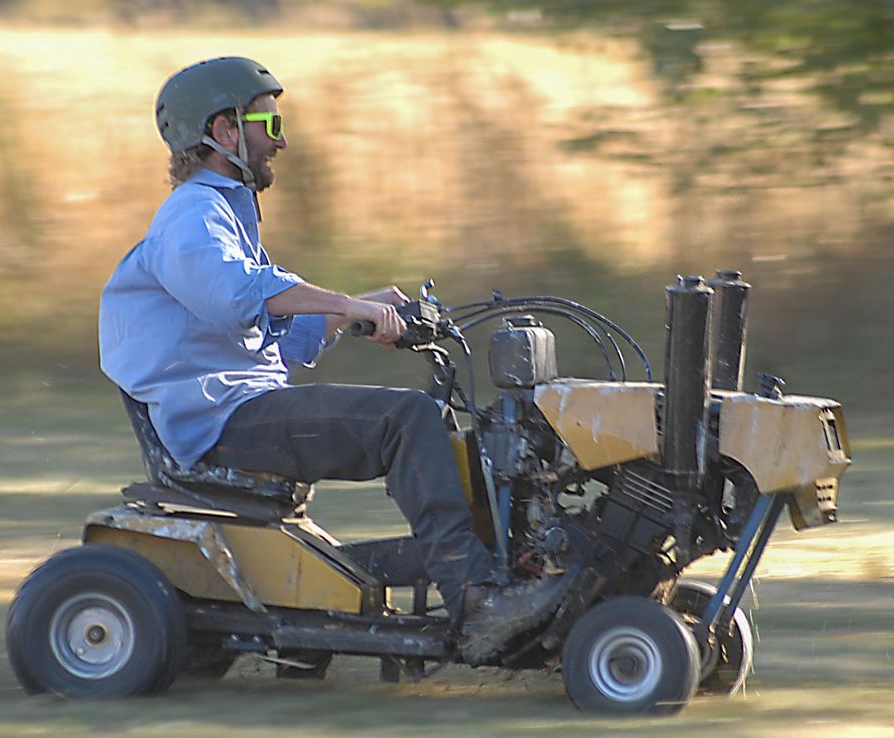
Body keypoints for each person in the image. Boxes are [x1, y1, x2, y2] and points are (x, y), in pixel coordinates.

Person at [98, 56, 568, 662]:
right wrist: (347, 303)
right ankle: (478, 601)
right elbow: (237, 298)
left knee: (436, 421)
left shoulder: (225, 217)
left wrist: (354, 312)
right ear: (222, 131)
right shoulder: (191, 216)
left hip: (243, 406)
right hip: (220, 424)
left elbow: (275, 344)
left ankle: (506, 570)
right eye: (268, 122)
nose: (281, 139)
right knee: (408, 421)